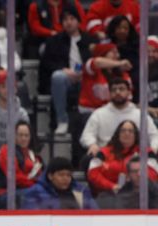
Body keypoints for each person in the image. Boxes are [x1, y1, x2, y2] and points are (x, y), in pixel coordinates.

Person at [38, 7, 95, 135]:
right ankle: (62, 120)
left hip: (86, 78)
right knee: (58, 77)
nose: (68, 22)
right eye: (65, 20)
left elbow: (95, 60)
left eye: (72, 19)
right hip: (66, 78)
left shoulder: (89, 40)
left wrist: (83, 73)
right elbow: (47, 63)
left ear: (78, 21)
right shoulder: (54, 41)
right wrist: (64, 70)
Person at [80, 77, 158, 156]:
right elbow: (86, 135)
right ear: (109, 93)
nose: (117, 92)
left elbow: (155, 135)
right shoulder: (99, 114)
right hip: (106, 157)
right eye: (114, 90)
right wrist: (92, 145)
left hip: (136, 157)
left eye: (121, 89)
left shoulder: (140, 115)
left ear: (129, 92)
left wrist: (153, 148)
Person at [86, 120, 158, 196]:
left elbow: (154, 173)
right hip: (109, 193)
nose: (127, 133)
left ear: (136, 135)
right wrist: (111, 186)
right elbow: (92, 174)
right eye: (123, 130)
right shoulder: (103, 153)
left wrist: (133, 182)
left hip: (140, 194)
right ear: (118, 134)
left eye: (131, 131)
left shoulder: (147, 152)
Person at [20, 157, 97, 209]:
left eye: (68, 175)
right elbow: (31, 218)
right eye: (61, 175)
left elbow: (95, 215)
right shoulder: (35, 192)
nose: (66, 178)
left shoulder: (81, 191)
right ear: (50, 176)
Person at [78, 42, 131, 113]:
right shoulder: (92, 70)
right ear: (103, 54)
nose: (117, 55)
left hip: (114, 111)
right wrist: (120, 63)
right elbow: (97, 62)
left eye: (117, 52)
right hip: (91, 110)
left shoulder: (121, 73)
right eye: (114, 52)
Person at [0, 121, 43, 190]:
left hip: (29, 187)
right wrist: (35, 184)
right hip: (8, 191)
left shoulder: (32, 154)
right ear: (14, 136)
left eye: (26, 135)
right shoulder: (7, 150)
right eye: (20, 135)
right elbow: (15, 178)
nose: (23, 138)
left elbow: (40, 173)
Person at [107, 15, 139, 98]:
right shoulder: (107, 45)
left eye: (125, 28)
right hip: (114, 75)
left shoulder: (136, 45)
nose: (122, 31)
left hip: (133, 74)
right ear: (113, 29)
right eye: (119, 28)